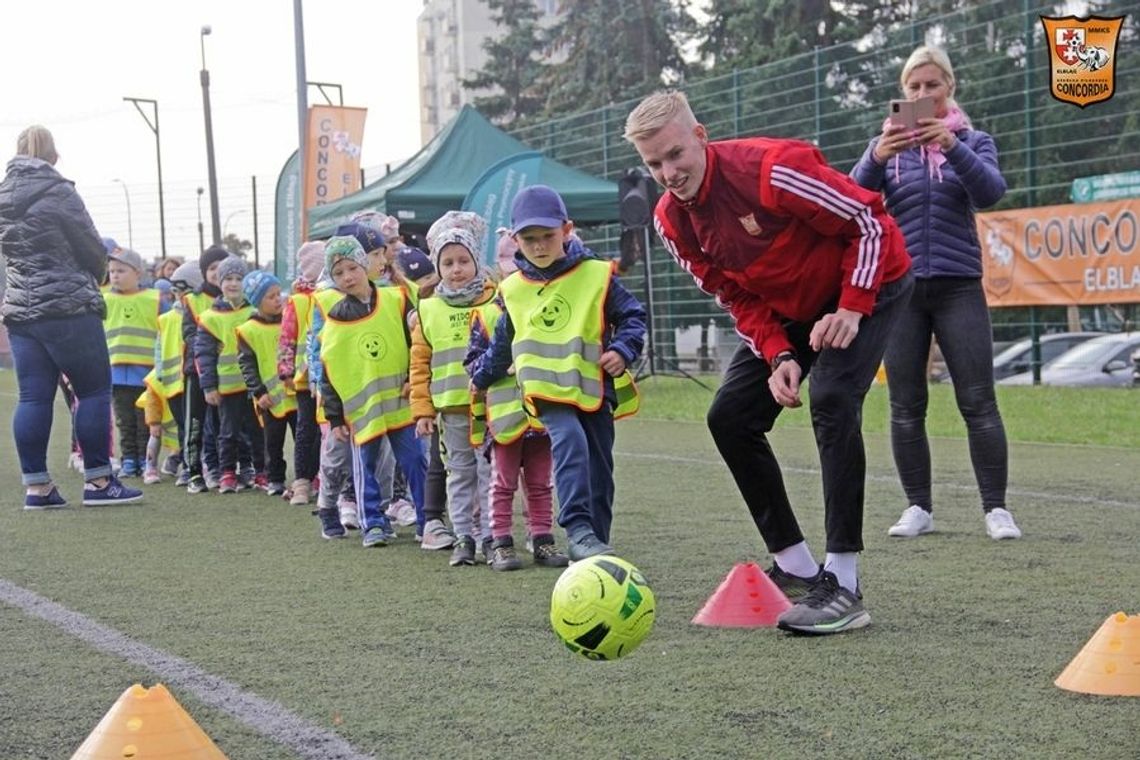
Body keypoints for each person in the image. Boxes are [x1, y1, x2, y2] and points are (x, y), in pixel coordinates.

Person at [625, 90, 913, 635]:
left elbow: (869, 223)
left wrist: (852, 307)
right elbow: (734, 295)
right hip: (792, 311)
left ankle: (844, 584)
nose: (668, 171)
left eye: (675, 154)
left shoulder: (773, 170)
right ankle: (798, 568)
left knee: (830, 398)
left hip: (870, 281)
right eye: (654, 163)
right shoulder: (670, 221)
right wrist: (779, 352)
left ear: (701, 136)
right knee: (730, 416)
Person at [850, 46, 1021, 542]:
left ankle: (997, 509)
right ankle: (918, 507)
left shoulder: (973, 139)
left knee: (978, 401)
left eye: (932, 86)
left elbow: (990, 192)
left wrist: (951, 144)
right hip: (900, 290)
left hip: (959, 286)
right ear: (904, 94)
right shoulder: (885, 146)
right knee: (905, 404)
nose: (923, 95)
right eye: (914, 88)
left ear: (950, 88)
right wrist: (874, 156)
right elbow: (851, 200)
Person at [469, 185, 646, 562]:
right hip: (546, 391)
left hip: (594, 389)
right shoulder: (512, 289)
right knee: (569, 440)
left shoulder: (597, 275)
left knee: (601, 466)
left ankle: (596, 545)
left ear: (567, 230)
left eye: (547, 236)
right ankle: (577, 528)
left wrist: (622, 349)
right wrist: (481, 376)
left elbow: (632, 316)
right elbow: (503, 343)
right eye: (529, 239)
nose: (538, 246)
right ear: (516, 240)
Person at [0, 125, 142, 507]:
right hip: (68, 307)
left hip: (20, 310)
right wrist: (94, 276)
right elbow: (92, 247)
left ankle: (38, 487)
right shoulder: (59, 192)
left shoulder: (3, 197)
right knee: (93, 390)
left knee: (32, 397)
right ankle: (98, 482)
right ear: (54, 156)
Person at [317, 235, 428, 548]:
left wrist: (413, 379)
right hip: (362, 410)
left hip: (401, 401)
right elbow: (329, 368)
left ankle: (427, 519)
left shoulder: (396, 298)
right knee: (364, 468)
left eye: (352, 268)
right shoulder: (335, 315)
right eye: (338, 273)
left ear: (365, 265)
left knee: (416, 460)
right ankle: (373, 524)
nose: (347, 277)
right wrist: (335, 417)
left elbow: (415, 342)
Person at [412, 211, 497, 567]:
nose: (457, 268)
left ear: (477, 262)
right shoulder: (428, 310)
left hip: (491, 408)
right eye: (448, 262)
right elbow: (418, 363)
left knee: (490, 473)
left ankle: (494, 535)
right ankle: (464, 536)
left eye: (464, 260)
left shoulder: (497, 303)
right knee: (459, 472)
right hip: (452, 410)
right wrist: (423, 410)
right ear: (438, 267)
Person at [194, 255, 260, 493]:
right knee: (227, 432)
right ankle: (227, 472)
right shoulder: (210, 318)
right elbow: (203, 355)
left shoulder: (255, 311)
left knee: (255, 430)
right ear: (220, 283)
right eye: (228, 279)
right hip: (226, 388)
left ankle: (254, 469)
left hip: (254, 387)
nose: (233, 284)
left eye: (239, 278)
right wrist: (209, 386)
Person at [103, 247, 164, 478]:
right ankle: (128, 459)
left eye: (121, 270)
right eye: (112, 271)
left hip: (146, 374)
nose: (115, 275)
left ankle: (144, 460)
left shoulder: (154, 298)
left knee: (144, 421)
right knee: (124, 421)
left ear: (137, 273)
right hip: (116, 373)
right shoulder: (104, 300)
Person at [276, 241, 325, 505]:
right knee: (306, 428)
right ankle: (302, 481)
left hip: (331, 373)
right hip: (305, 376)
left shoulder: (333, 294)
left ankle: (321, 477)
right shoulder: (297, 301)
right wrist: (285, 371)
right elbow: (287, 338)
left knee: (325, 428)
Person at [237, 270, 294, 496]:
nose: (278, 299)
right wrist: (258, 392)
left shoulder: (292, 320)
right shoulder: (248, 330)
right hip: (270, 399)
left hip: (296, 393)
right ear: (257, 301)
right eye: (271, 296)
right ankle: (275, 479)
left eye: (278, 293)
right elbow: (247, 366)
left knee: (304, 440)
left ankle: (306, 478)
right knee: (273, 442)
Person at [182, 245, 230, 493]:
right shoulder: (193, 300)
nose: (217, 272)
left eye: (222, 267)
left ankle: (224, 470)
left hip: (230, 373)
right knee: (195, 423)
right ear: (203, 272)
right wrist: (211, 347)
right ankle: (192, 472)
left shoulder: (238, 297)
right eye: (211, 268)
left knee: (226, 426)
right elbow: (189, 334)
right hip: (197, 371)